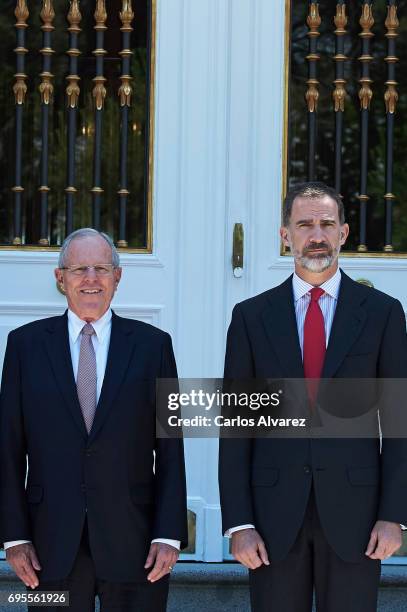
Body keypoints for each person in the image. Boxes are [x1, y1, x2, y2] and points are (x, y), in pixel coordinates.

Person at [218, 182, 407, 612]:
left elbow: (400, 422)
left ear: (342, 233)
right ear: (286, 235)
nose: (316, 235)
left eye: (326, 224)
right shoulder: (250, 318)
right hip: (271, 517)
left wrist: (394, 514)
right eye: (304, 224)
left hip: (358, 516)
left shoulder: (383, 314)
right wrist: (239, 523)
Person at [0, 228, 187, 612]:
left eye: (101, 268)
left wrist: (169, 533)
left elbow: (171, 448)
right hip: (48, 546)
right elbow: (7, 448)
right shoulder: (24, 346)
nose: (90, 279)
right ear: (60, 277)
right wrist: (13, 536)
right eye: (79, 268)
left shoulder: (154, 346)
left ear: (117, 278)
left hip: (136, 543)